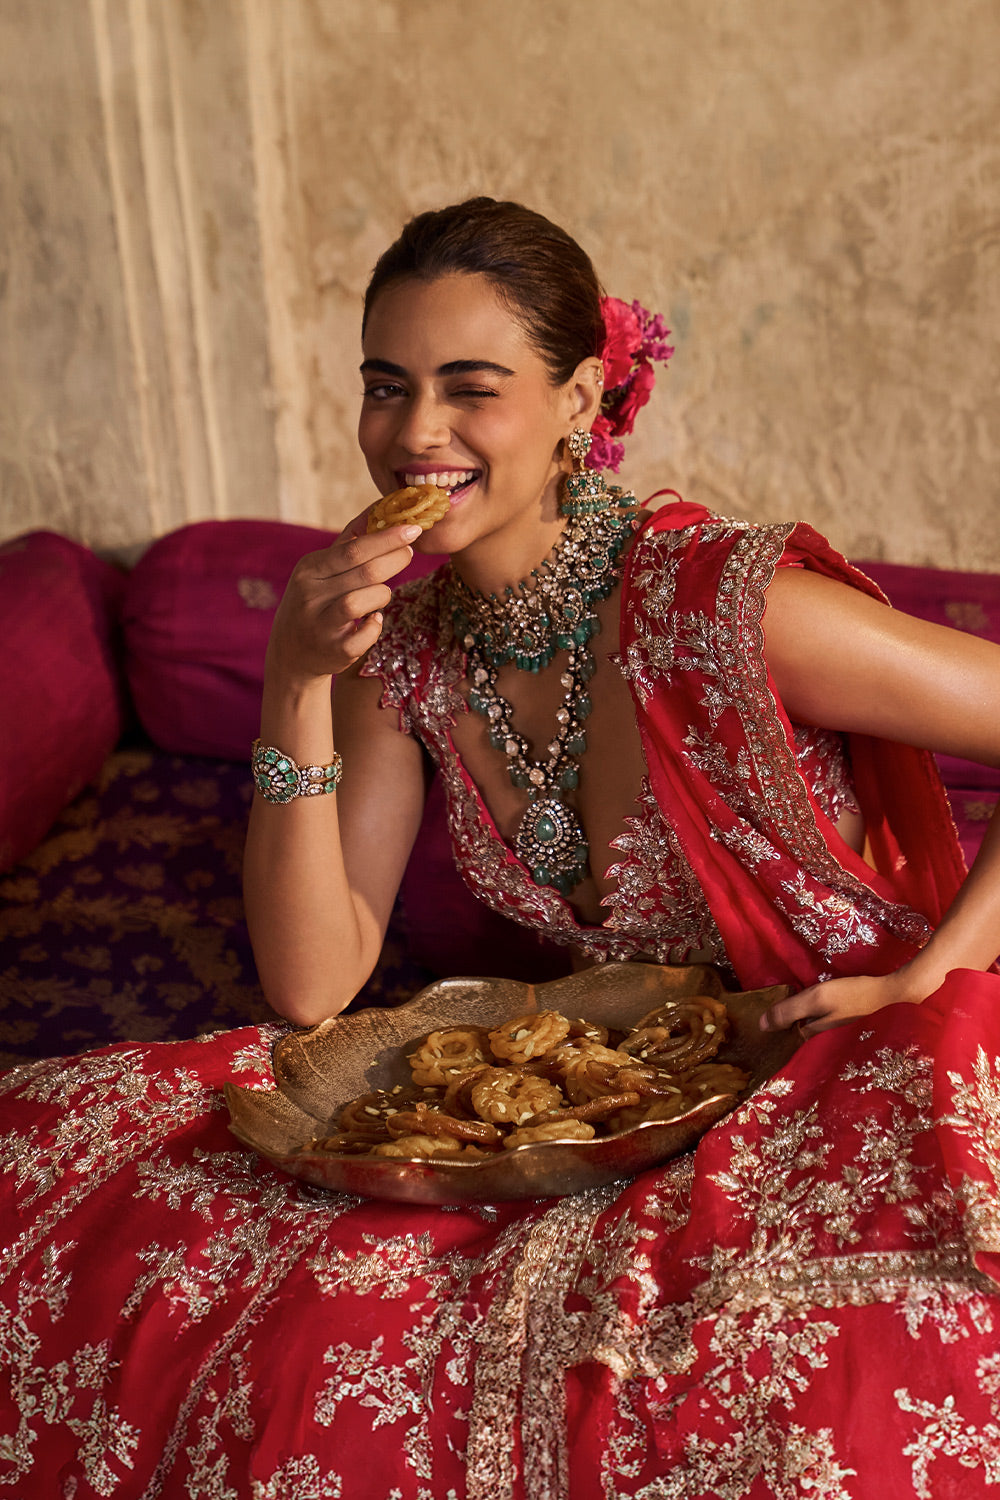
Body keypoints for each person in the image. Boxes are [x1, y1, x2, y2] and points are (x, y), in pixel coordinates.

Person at [2, 197, 1000, 1499]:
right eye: (386, 387)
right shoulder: (407, 663)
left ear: (581, 398)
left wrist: (925, 984)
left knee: (833, 1404)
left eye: (472, 388)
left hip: (862, 1051)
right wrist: (294, 687)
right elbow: (313, 985)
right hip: (630, 1109)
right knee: (125, 1239)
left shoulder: (722, 611)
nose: (416, 434)